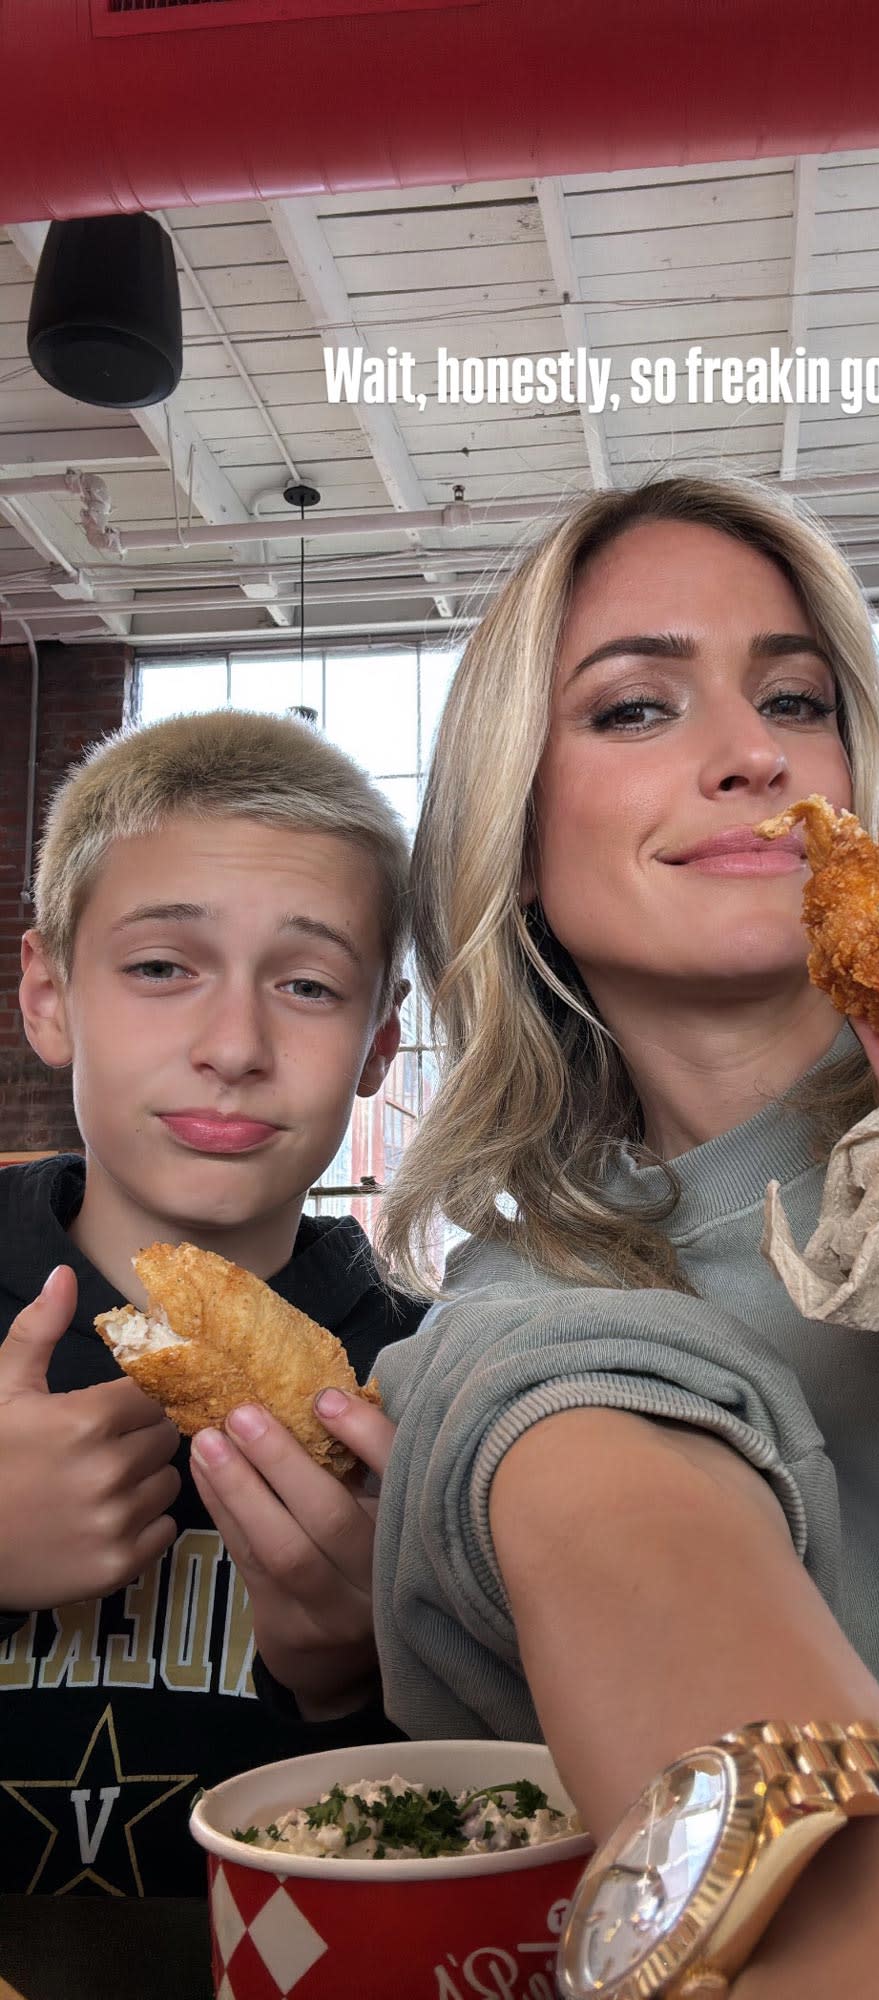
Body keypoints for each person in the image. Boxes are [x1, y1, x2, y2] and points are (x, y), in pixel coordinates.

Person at [190, 480, 879, 1998]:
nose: (752, 752)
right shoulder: (522, 1324)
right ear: (519, 829)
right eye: (634, 709)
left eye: (793, 697)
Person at [0, 710, 425, 2000]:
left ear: (381, 1043)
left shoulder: (427, 1374)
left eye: (307, 985)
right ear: (47, 995)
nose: (234, 1047)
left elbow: (486, 1834)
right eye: (161, 967)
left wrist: (365, 1669)